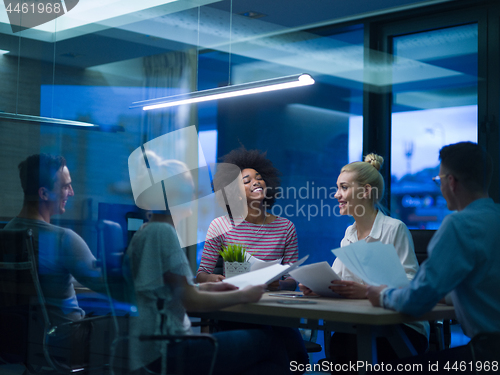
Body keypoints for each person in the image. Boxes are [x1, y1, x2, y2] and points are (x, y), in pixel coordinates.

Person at [125, 156, 291, 375]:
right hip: (165, 349)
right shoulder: (163, 232)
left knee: (271, 361)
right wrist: (244, 296)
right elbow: (190, 300)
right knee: (273, 344)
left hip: (155, 346)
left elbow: (173, 290)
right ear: (174, 197)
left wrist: (209, 287)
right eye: (191, 192)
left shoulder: (148, 230)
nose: (196, 198)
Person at [367, 142, 500, 371]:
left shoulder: (460, 225)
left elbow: (416, 302)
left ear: (451, 182)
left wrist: (383, 295)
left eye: (438, 181)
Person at [300, 153, 428, 366]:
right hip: (361, 324)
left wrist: (366, 292)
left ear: (366, 191)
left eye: (343, 187)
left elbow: (411, 284)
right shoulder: (349, 233)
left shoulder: (394, 229)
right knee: (342, 345)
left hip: (402, 327)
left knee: (347, 348)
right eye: (337, 188)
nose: (336, 195)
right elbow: (337, 280)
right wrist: (320, 287)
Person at [4, 153, 121, 367]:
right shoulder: (62, 239)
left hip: (18, 342)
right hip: (65, 343)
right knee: (128, 326)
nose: (72, 192)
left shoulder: (6, 234)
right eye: (66, 186)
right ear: (44, 193)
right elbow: (108, 284)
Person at [197, 147, 298, 291]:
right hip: (234, 300)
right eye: (246, 181)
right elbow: (202, 274)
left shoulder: (286, 227)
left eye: (259, 178)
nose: (256, 182)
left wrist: (279, 284)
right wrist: (212, 278)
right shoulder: (220, 225)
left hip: (271, 304)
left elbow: (292, 279)